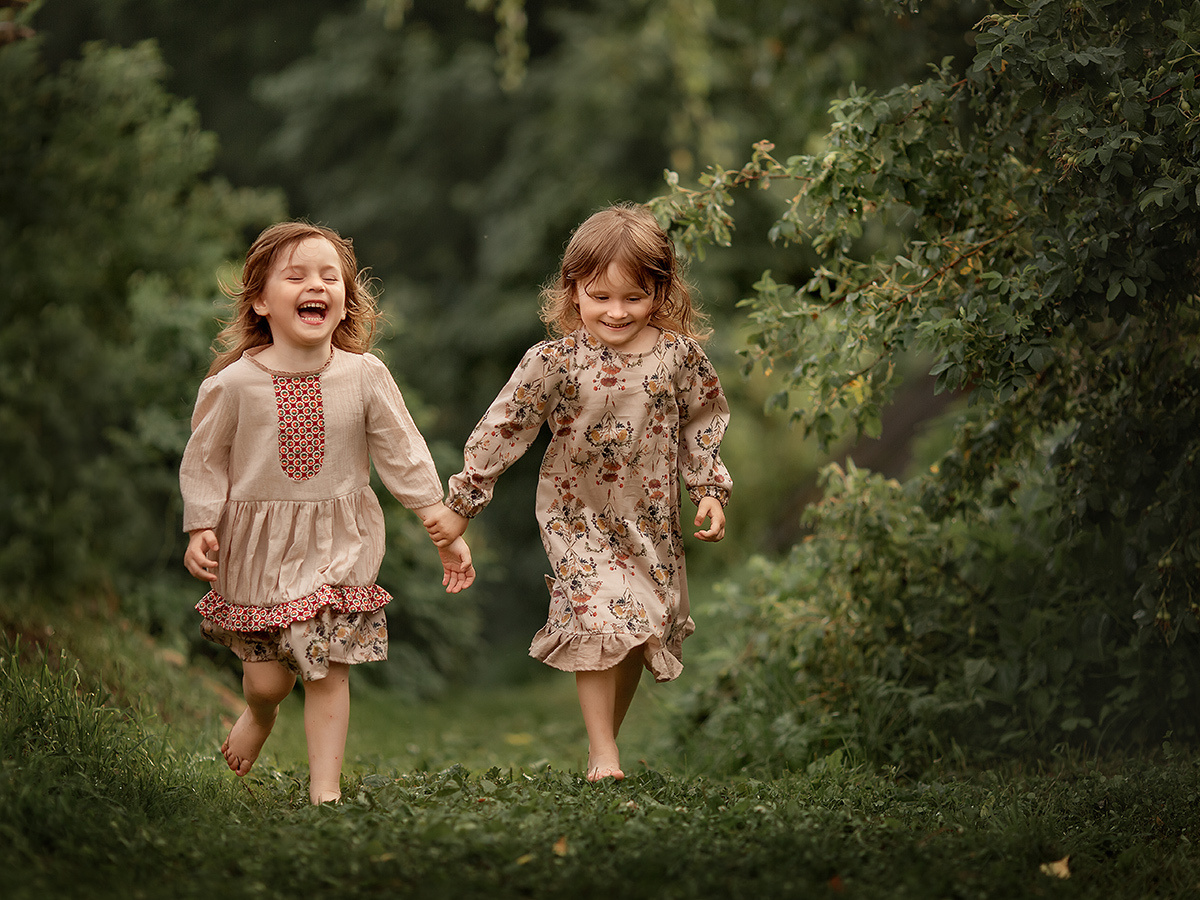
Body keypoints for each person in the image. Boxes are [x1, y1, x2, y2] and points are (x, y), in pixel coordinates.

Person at [424, 203, 731, 781]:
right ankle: (604, 756)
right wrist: (463, 502)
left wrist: (709, 488)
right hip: (577, 517)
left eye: (634, 297)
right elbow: (505, 427)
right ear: (573, 292)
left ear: (661, 294)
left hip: (650, 520)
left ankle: (602, 745)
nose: (616, 312)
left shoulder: (679, 358)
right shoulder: (555, 361)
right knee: (598, 621)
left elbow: (702, 423)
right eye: (600, 296)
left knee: (640, 629)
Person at [180, 221, 474, 805]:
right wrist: (200, 525)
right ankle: (261, 713)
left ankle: (326, 793)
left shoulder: (363, 376)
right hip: (256, 552)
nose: (316, 285)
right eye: (296, 276)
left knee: (327, 665)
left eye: (329, 276)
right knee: (268, 679)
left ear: (344, 301)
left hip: (339, 542)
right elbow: (205, 460)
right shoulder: (234, 384)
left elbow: (402, 449)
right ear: (261, 301)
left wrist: (436, 515)